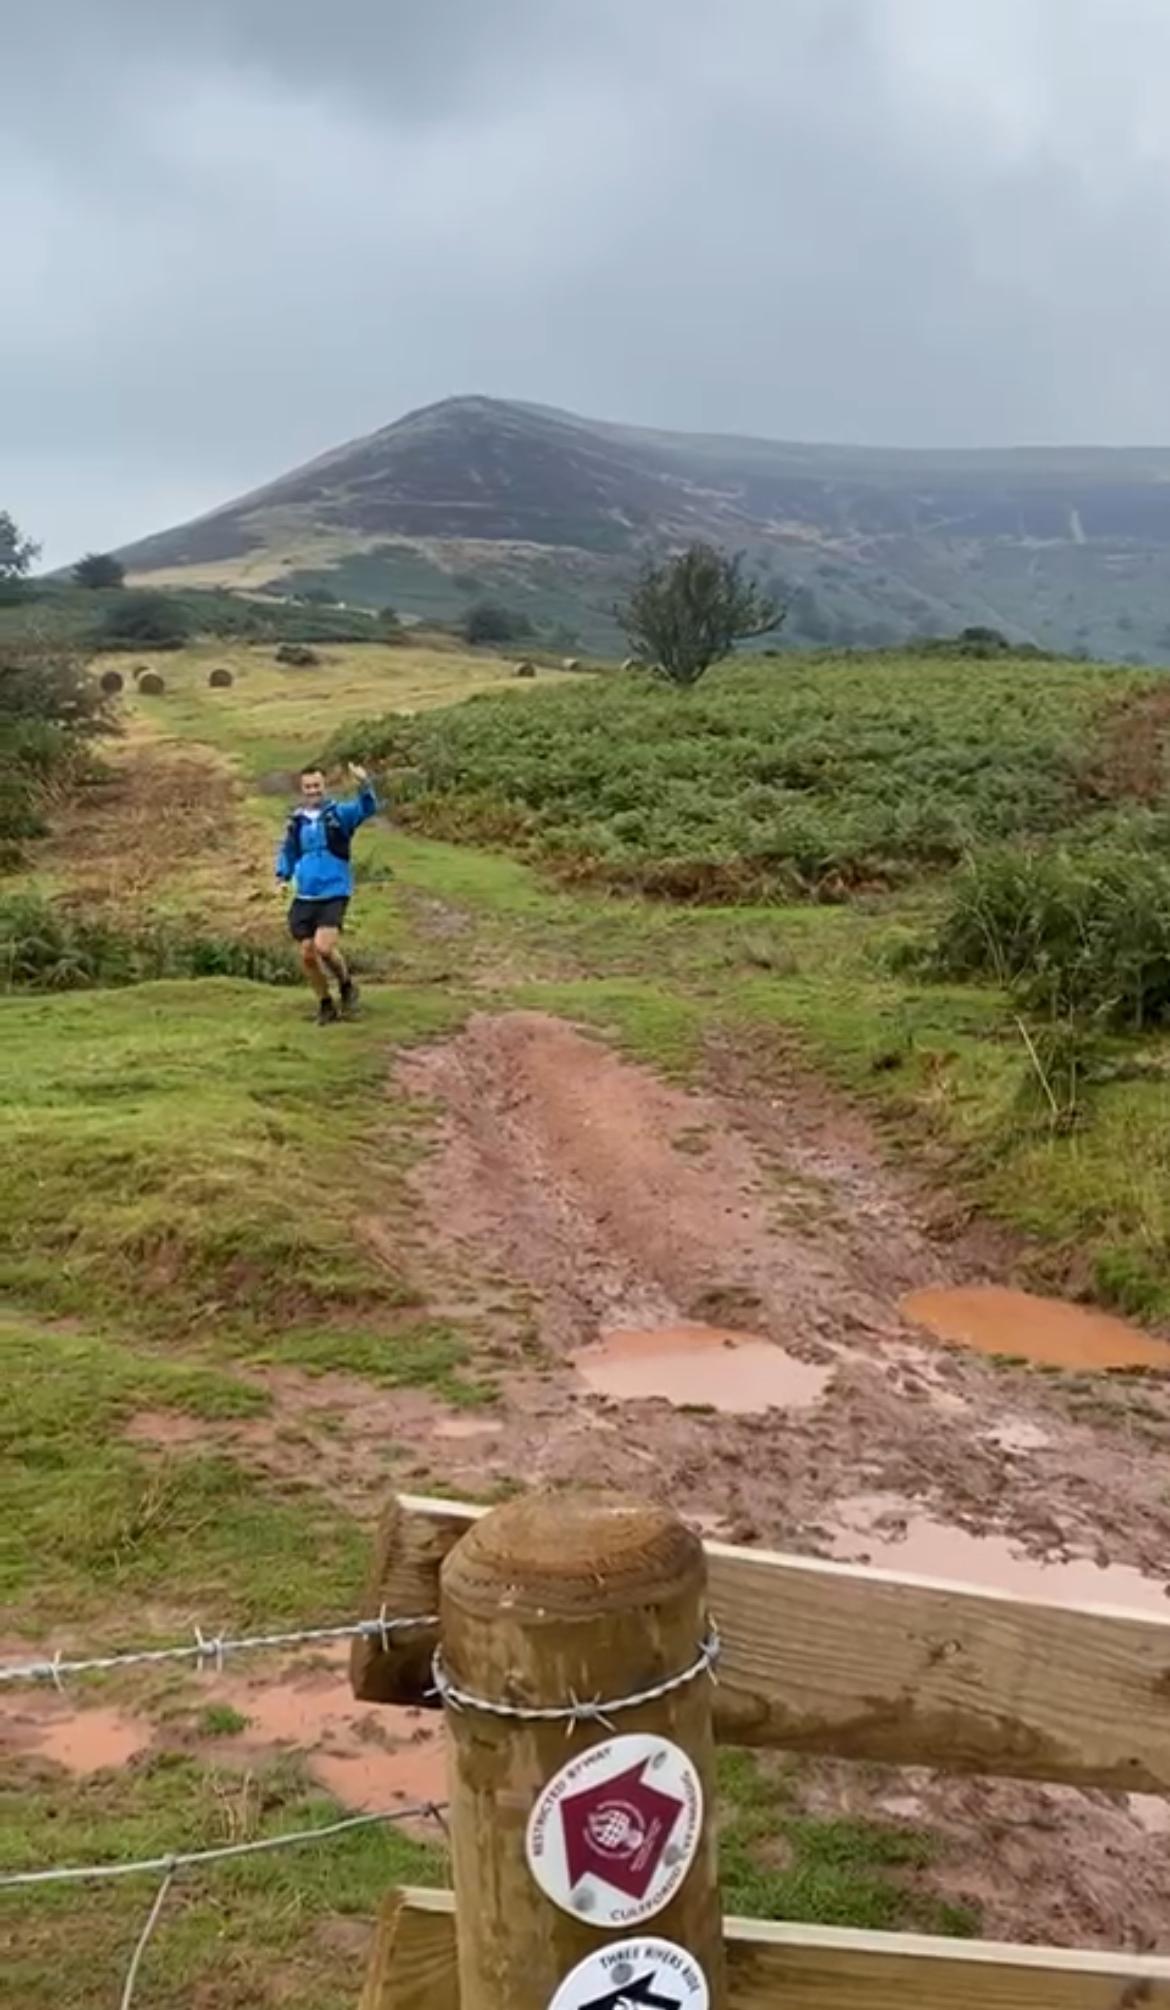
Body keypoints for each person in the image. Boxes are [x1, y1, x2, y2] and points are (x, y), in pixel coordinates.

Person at [276, 762, 378, 1023]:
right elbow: (288, 851)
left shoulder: (339, 815)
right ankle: (325, 1003)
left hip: (334, 889)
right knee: (307, 954)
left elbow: (367, 808)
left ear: (324, 786)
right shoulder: (296, 822)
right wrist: (283, 877)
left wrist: (364, 784)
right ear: (302, 788)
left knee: (324, 947)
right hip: (306, 894)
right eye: (308, 786)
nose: (313, 791)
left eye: (317, 786)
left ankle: (346, 984)